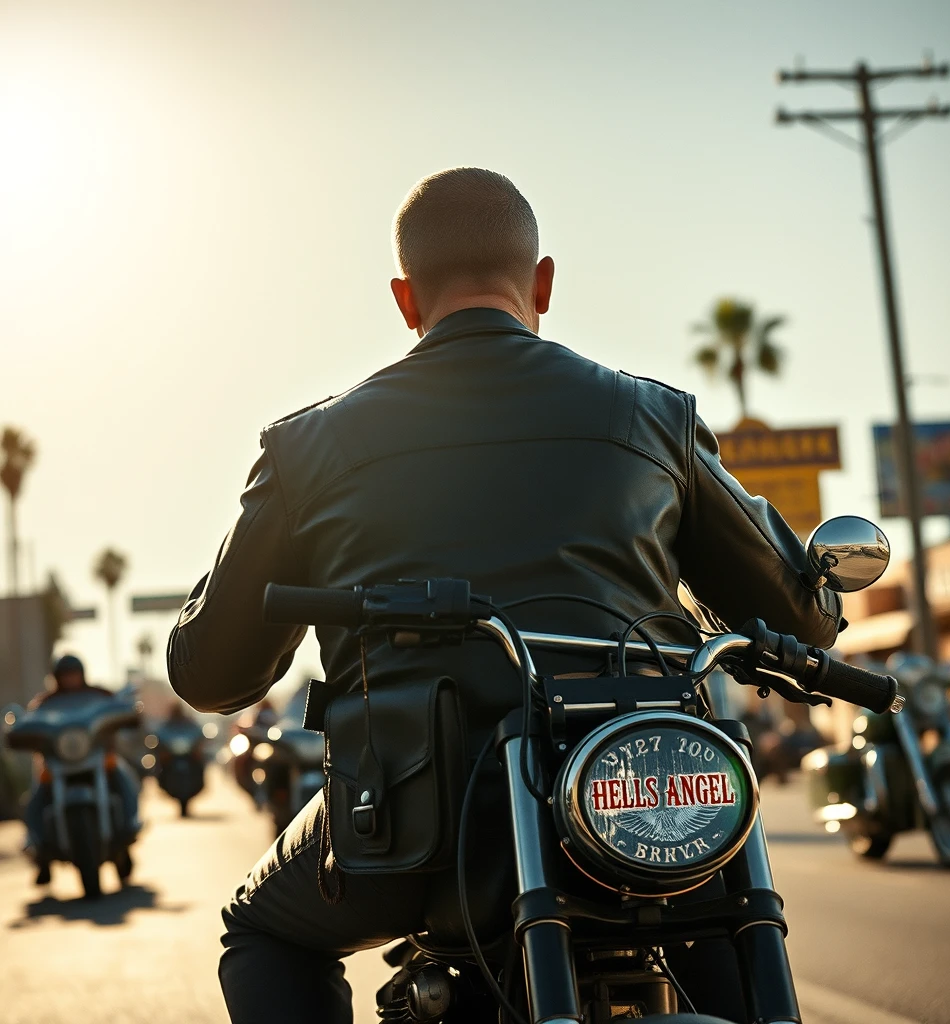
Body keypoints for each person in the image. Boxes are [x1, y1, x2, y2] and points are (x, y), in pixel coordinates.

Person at [168, 167, 842, 1023]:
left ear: (405, 298)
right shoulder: (652, 418)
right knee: (726, 917)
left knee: (261, 932)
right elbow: (801, 618)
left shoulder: (309, 445)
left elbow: (209, 675)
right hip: (645, 799)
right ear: (544, 283)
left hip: (413, 830)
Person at [24, 654, 142, 885]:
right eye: (65, 675)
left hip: (97, 758)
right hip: (58, 764)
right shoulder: (44, 703)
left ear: (82, 674)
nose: (70, 679)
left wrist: (126, 710)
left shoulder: (98, 695)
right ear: (57, 678)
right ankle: (38, 851)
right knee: (34, 802)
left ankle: (130, 827)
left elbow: (120, 707)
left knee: (125, 781)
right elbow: (28, 722)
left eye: (74, 674)